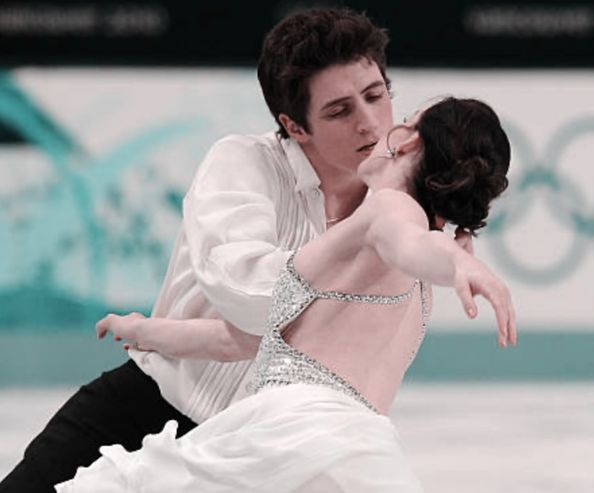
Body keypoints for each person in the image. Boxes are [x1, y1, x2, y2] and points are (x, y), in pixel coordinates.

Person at [0, 8, 400, 492]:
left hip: (265, 456)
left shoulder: (401, 211)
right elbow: (253, 299)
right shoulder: (242, 166)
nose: (369, 123)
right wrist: (362, 234)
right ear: (295, 126)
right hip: (142, 418)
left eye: (375, 96)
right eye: (340, 110)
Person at [55, 96, 516, 492]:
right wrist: (144, 329)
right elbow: (241, 339)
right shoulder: (389, 267)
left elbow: (413, 241)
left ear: (409, 141)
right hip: (360, 454)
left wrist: (457, 262)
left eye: (404, 119)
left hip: (289, 435)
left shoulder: (391, 209)